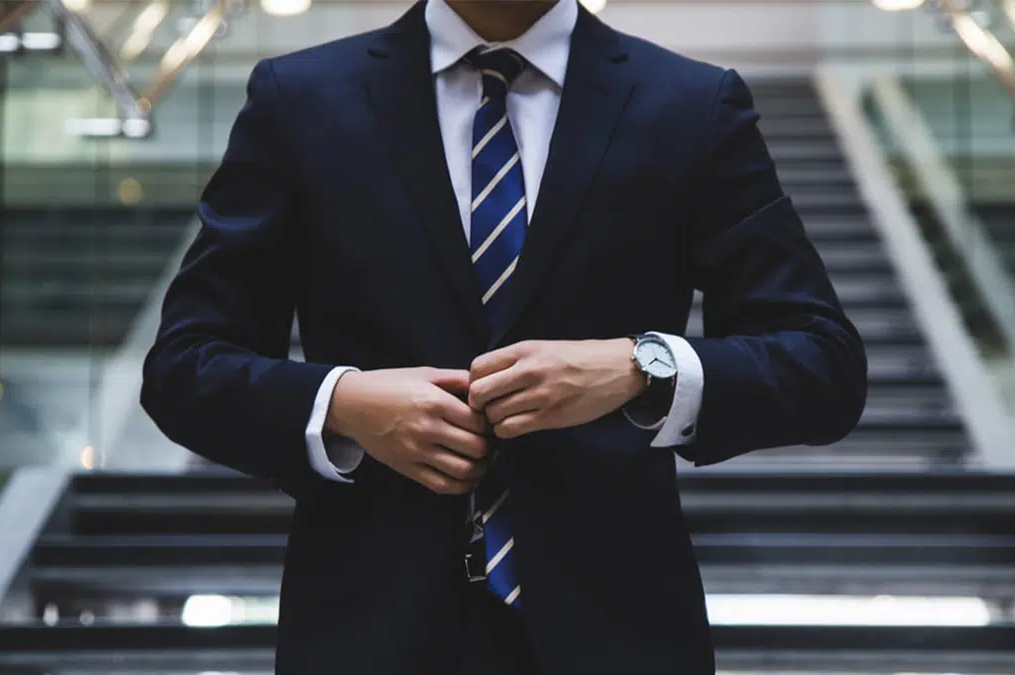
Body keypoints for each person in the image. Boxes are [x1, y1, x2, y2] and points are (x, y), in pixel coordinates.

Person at [141, 0, 867, 672]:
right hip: (363, 631)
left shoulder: (690, 104)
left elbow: (822, 362)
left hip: (619, 635)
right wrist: (342, 402)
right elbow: (183, 365)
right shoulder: (300, 99)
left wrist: (643, 366)